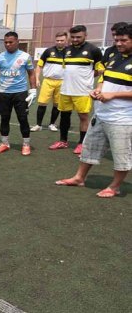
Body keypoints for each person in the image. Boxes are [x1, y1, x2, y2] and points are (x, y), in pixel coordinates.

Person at [55, 24, 132, 198]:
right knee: (89, 148)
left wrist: (113, 95)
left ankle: (115, 187)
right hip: (102, 113)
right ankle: (79, 178)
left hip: (123, 118)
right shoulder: (115, 56)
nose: (118, 43)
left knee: (121, 154)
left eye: (123, 40)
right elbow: (104, 77)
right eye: (117, 40)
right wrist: (98, 89)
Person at [49, 25, 104, 154]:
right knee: (64, 116)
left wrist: (87, 79)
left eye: (78, 37)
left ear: (85, 35)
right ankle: (63, 141)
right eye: (72, 37)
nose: (75, 39)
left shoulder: (94, 50)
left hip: (83, 91)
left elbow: (99, 70)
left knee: (83, 117)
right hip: (65, 90)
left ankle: (81, 143)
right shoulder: (66, 50)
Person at [0, 31, 37, 156]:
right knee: (4, 119)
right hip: (4, 93)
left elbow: (31, 73)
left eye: (11, 42)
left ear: (17, 42)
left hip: (20, 93)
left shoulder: (25, 56)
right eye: (6, 42)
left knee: (23, 119)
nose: (8, 44)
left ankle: (26, 144)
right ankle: (4, 143)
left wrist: (33, 90)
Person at [30, 31, 67, 132]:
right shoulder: (48, 51)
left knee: (57, 104)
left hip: (62, 82)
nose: (59, 42)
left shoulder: (70, 52)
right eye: (57, 40)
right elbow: (39, 66)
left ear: (66, 40)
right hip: (48, 81)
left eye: (62, 40)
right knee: (42, 103)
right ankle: (38, 125)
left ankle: (52, 124)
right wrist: (37, 78)